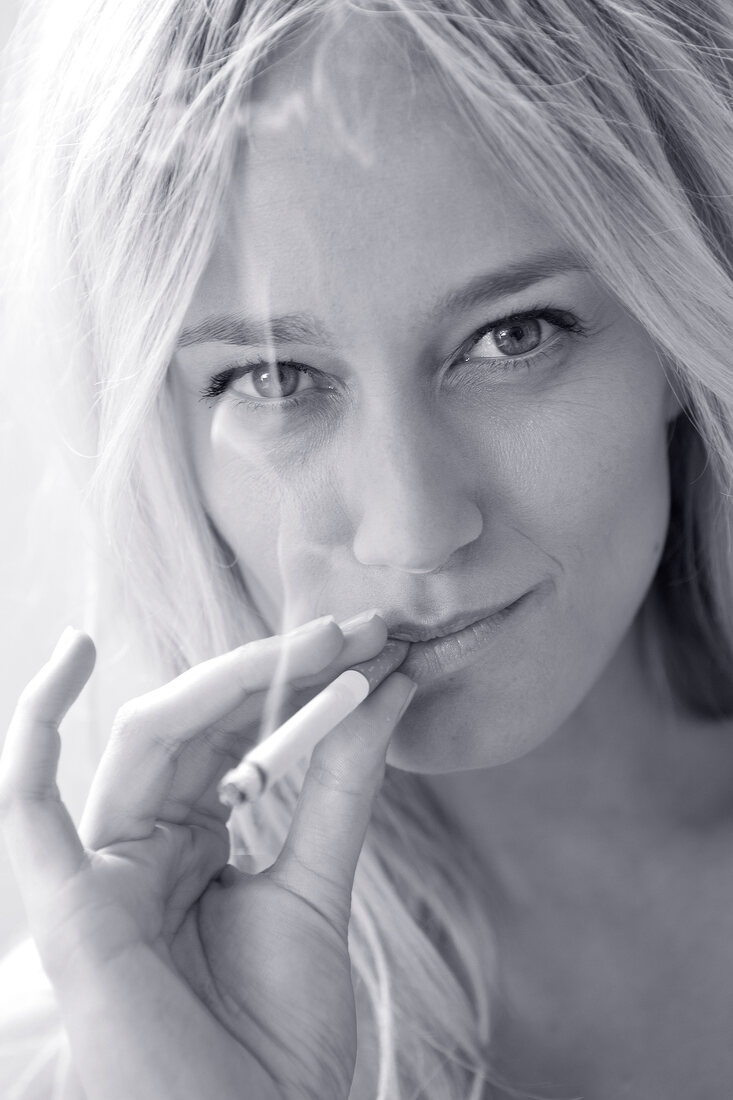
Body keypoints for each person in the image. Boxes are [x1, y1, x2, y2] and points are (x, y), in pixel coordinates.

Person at [2, 0, 733, 1096]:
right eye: (274, 378)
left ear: (681, 331)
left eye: (513, 335)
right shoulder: (76, 1055)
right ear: (165, 441)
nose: (413, 530)